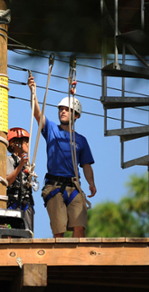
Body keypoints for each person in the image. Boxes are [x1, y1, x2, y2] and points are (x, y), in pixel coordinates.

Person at [28, 75, 96, 238]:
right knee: (59, 230)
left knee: (80, 228)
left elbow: (86, 165)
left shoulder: (80, 140)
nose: (63, 112)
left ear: (76, 116)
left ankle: (75, 261)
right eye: (61, 109)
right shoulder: (52, 129)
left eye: (67, 109)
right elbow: (38, 114)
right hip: (54, 186)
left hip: (74, 186)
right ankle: (60, 261)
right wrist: (33, 93)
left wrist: (91, 183)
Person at [6, 127, 34, 232]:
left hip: (26, 205)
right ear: (16, 144)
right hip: (13, 205)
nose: (27, 143)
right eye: (25, 141)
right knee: (13, 235)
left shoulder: (27, 164)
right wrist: (20, 165)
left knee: (28, 235)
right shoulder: (10, 160)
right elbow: (8, 181)